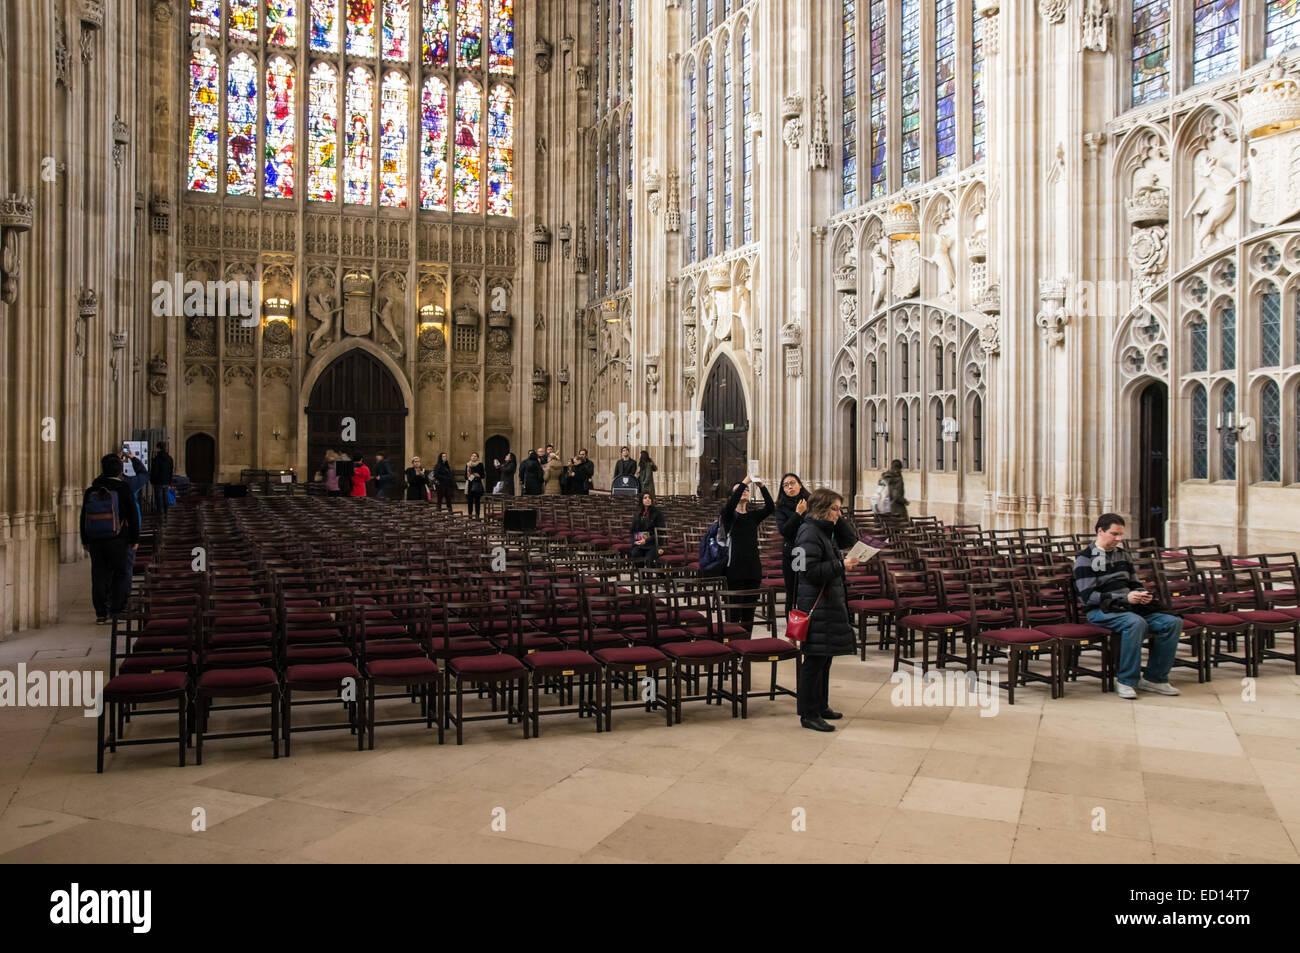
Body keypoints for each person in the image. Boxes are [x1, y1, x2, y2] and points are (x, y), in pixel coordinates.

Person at [1074, 513, 1182, 699]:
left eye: (1121, 534)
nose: (1119, 538)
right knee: (1135, 623)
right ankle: (1126, 680)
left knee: (1172, 623)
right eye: (1114, 534)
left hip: (1130, 607)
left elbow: (1134, 583)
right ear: (1100, 531)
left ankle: (1155, 679)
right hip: (1101, 611)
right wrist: (1124, 598)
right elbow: (1089, 596)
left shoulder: (1123, 554)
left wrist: (1141, 594)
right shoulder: (1086, 558)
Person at [794, 488, 860, 732]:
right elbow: (805, 571)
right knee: (814, 661)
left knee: (825, 658)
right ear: (821, 509)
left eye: (840, 509)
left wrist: (840, 564)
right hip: (815, 604)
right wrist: (840, 564)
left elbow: (849, 539)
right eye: (834, 509)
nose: (838, 514)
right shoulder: (807, 532)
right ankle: (808, 713)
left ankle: (821, 705)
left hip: (828, 602)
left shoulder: (823, 531)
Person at [775, 472, 859, 617]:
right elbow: (786, 532)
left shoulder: (813, 503)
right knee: (795, 590)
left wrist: (835, 514)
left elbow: (848, 538)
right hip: (794, 554)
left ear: (800, 485)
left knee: (813, 589)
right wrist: (797, 514)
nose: (790, 487)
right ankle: (794, 624)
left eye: (792, 483)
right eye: (786, 485)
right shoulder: (782, 508)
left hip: (818, 551)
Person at [81, 453, 143, 624]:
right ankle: (117, 609)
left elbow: (83, 517)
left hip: (95, 540)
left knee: (99, 575)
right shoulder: (123, 489)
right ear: (120, 470)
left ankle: (101, 613)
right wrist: (135, 539)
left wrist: (85, 540)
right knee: (120, 573)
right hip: (118, 539)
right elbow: (132, 515)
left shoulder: (91, 490)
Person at [720, 475, 774, 629]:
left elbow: (770, 507)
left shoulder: (752, 516)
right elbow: (730, 505)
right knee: (733, 614)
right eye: (740, 490)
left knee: (748, 615)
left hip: (752, 570)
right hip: (733, 570)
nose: (744, 491)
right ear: (733, 496)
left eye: (746, 490)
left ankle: (746, 647)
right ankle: (732, 647)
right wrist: (744, 481)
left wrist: (762, 486)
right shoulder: (728, 516)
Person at [630, 493, 666, 567]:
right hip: (640, 543)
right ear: (641, 500)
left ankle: (650, 577)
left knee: (648, 559)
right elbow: (632, 531)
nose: (648, 499)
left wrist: (645, 540)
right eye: (645, 497)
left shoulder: (657, 514)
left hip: (654, 543)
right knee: (635, 554)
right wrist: (635, 541)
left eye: (649, 497)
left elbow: (660, 532)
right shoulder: (638, 514)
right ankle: (641, 576)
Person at [150, 441, 174, 519]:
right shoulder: (170, 458)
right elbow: (171, 471)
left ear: (158, 448)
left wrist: (152, 480)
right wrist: (170, 481)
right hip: (166, 481)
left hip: (158, 482)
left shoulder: (156, 459)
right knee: (165, 497)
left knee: (159, 499)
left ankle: (161, 515)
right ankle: (167, 514)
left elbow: (155, 471)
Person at [465, 452, 486, 517]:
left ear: (477, 458)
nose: (473, 457)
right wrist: (467, 476)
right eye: (472, 456)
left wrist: (478, 475)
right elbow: (465, 477)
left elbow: (483, 476)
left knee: (477, 502)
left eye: (475, 456)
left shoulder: (480, 464)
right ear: (470, 457)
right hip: (469, 485)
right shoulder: (468, 465)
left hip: (477, 485)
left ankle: (477, 516)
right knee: (469, 502)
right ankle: (470, 516)